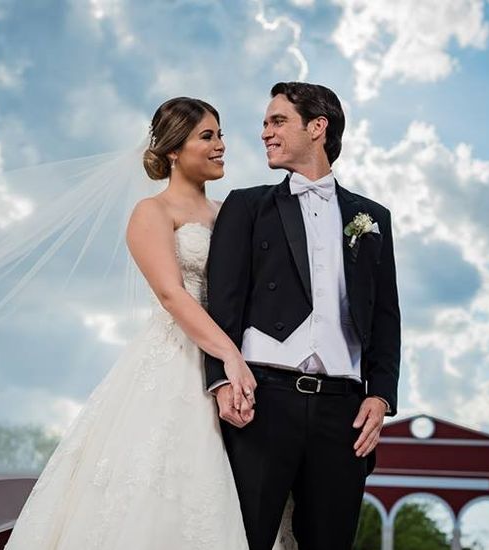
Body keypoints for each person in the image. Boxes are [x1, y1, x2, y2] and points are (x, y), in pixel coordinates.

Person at [4, 97, 279, 549]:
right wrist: (228, 354)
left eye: (221, 135)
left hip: (239, 369)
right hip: (178, 362)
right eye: (207, 136)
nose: (221, 146)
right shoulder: (151, 213)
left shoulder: (233, 212)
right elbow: (172, 294)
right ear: (174, 150)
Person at [205, 81, 401, 550]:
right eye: (265, 123)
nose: (265, 133)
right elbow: (223, 304)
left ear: (318, 127)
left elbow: (387, 315)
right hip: (262, 401)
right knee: (243, 540)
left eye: (277, 121)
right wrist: (220, 382)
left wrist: (382, 397)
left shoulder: (372, 218)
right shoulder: (247, 206)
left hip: (344, 411)